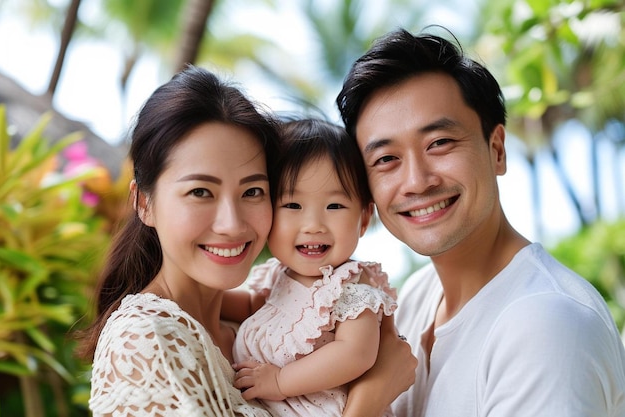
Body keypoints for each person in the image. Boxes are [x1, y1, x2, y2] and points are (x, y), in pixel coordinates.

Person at [76, 66, 415, 416]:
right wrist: (370, 399)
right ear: (144, 203)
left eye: (252, 191)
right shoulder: (146, 340)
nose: (231, 224)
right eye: (200, 191)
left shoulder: (251, 323)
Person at [336, 27, 625, 417]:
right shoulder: (417, 296)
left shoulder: (545, 325)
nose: (417, 181)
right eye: (386, 159)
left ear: (497, 150)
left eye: (439, 143)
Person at [223, 118, 398, 417]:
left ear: (365, 218)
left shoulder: (352, 283)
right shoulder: (278, 274)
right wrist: (210, 299)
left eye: (334, 206)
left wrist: (280, 381)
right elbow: (256, 305)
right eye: (292, 206)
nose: (313, 225)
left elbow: (355, 353)